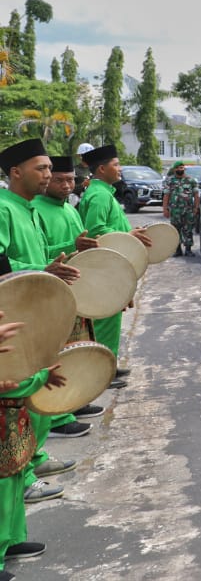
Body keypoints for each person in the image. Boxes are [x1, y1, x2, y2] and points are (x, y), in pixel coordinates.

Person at [0, 140, 87, 505]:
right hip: (12, 318)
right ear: (15, 172)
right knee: (17, 407)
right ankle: (24, 478)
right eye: (42, 168)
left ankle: (31, 465)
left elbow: (38, 255)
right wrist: (39, 269)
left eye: (50, 168)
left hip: (36, 313)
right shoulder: (4, 209)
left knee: (34, 397)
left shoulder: (28, 208)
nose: (49, 175)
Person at [31, 155, 105, 432]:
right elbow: (48, 254)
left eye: (70, 179)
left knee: (78, 350)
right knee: (59, 355)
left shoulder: (70, 209)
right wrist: (71, 246)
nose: (65, 185)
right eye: (59, 179)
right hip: (52, 293)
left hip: (76, 291)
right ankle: (59, 416)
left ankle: (74, 402)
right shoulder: (36, 208)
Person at [76, 144, 153, 366]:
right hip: (104, 267)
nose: (120, 169)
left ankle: (109, 363)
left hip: (112, 264)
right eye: (116, 164)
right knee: (105, 318)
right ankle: (103, 368)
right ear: (101, 169)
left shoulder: (103, 193)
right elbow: (95, 230)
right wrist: (128, 234)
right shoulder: (99, 195)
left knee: (112, 317)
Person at [0, 331, 65, 580]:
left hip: (10, 420)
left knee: (13, 481)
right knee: (2, 489)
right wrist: (40, 377)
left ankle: (10, 542)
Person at [161, 160, 200, 257]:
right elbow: (166, 195)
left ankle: (188, 250)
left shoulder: (191, 180)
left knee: (188, 230)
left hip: (188, 210)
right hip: (175, 210)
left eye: (182, 168)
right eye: (178, 168)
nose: (180, 169)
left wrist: (196, 208)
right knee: (175, 230)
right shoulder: (170, 181)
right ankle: (177, 250)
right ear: (174, 169)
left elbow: (196, 195)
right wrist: (165, 209)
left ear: (184, 169)